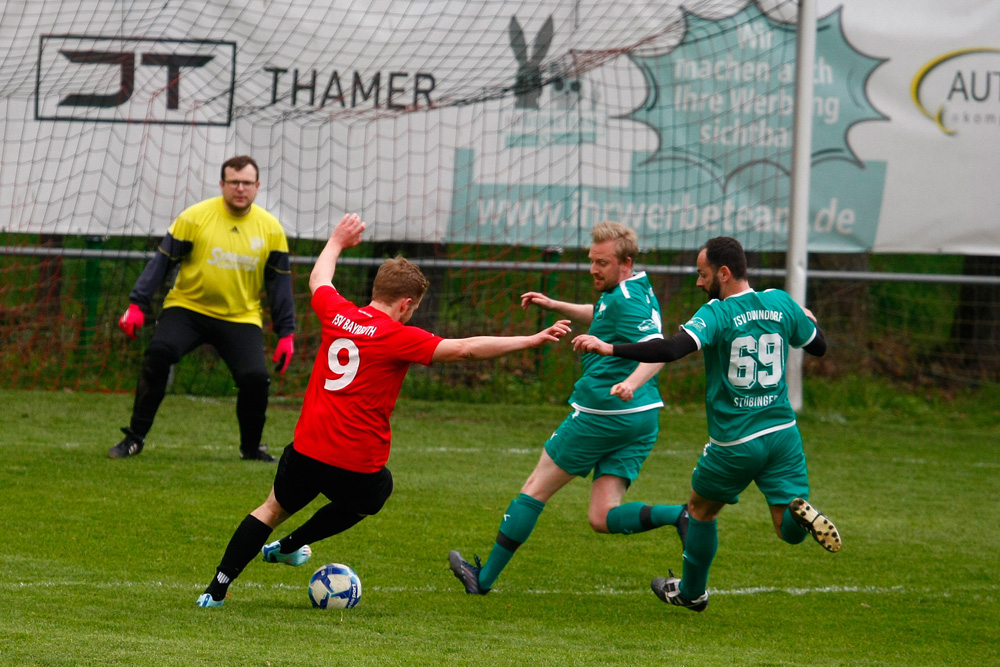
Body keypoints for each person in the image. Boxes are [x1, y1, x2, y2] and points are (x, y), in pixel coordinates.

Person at [196, 212, 571, 607]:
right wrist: (530, 340)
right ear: (406, 304)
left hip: (306, 448)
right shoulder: (398, 336)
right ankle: (291, 544)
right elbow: (465, 348)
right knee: (376, 492)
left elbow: (318, 279)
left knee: (271, 507)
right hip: (356, 463)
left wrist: (338, 241)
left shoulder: (337, 312)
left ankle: (215, 590)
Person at [572, 236, 841, 613]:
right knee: (787, 531)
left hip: (735, 443)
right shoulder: (780, 301)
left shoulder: (717, 313)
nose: (699, 283)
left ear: (724, 273)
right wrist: (807, 317)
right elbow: (819, 346)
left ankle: (692, 592)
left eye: (703, 274)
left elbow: (668, 350)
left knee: (700, 510)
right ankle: (801, 513)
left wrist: (610, 347)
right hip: (782, 435)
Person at [448, 221, 686, 596]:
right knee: (602, 516)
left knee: (534, 488)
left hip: (601, 414)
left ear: (624, 262)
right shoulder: (633, 286)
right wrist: (555, 304)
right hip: (641, 419)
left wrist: (630, 382)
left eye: (602, 263)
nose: (593, 269)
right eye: (591, 261)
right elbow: (606, 315)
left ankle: (483, 579)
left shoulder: (625, 298)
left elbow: (659, 348)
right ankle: (679, 516)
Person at [109, 155, 294, 462]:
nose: (240, 188)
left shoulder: (271, 230)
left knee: (256, 379)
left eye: (247, 183)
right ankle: (134, 438)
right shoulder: (195, 217)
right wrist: (137, 304)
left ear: (257, 187)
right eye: (233, 182)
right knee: (158, 355)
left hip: (240, 317)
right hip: (188, 309)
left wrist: (286, 333)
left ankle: (251, 448)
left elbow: (279, 285)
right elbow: (161, 263)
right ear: (222, 184)